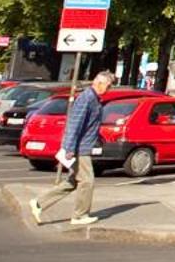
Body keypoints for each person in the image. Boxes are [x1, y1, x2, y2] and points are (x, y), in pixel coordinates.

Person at [33, 70, 115, 227]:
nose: (108, 89)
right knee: (87, 181)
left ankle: (38, 203)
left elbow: (89, 124)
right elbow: (75, 124)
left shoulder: (93, 98)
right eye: (108, 85)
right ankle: (80, 215)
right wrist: (69, 148)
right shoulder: (87, 98)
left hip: (82, 145)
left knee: (73, 181)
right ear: (99, 83)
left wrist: (98, 138)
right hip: (79, 148)